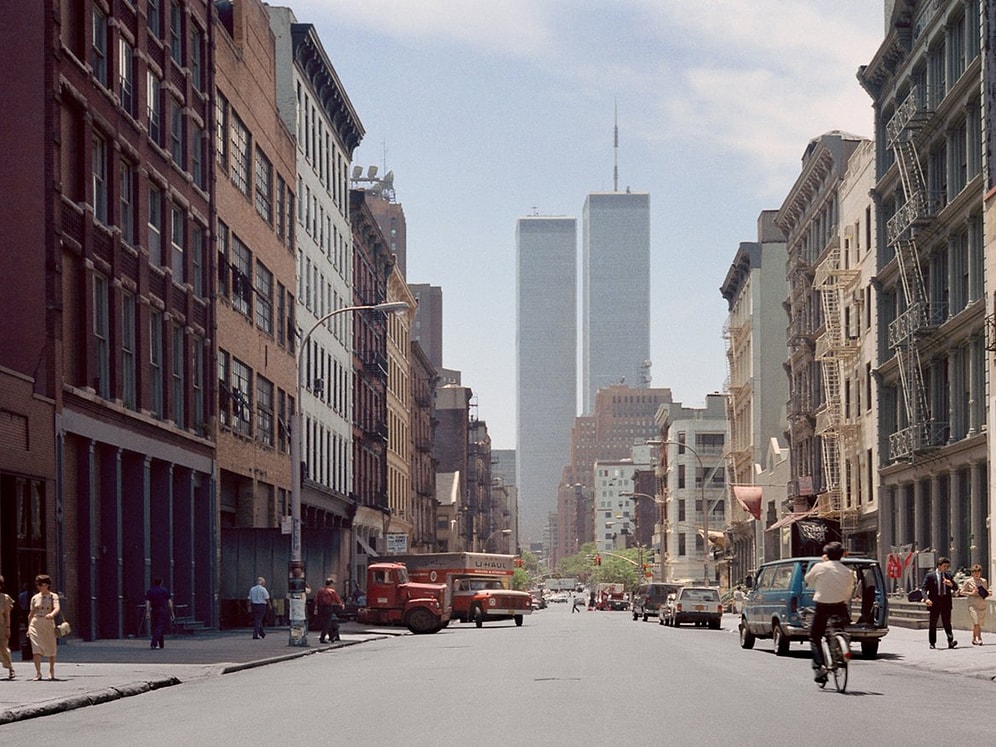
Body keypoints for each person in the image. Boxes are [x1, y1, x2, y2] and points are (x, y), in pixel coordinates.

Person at [804, 542, 854, 684]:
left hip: (822, 605)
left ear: (826, 555)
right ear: (842, 555)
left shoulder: (820, 567)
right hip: (840, 606)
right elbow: (849, 591)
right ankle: (840, 650)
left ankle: (820, 666)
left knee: (815, 636)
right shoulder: (847, 571)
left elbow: (807, 579)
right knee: (839, 629)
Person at [27, 573, 59, 681]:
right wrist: (28, 627)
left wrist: (51, 614)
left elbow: (57, 608)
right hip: (35, 623)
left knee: (51, 647)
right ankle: (38, 673)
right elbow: (31, 613)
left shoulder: (53, 596)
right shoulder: (35, 598)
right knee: (36, 648)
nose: (40, 587)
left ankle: (51, 670)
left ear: (47, 585)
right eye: (38, 584)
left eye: (42, 584)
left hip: (48, 623)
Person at [922, 556, 958, 649]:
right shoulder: (930, 576)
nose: (946, 568)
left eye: (947, 566)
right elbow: (923, 589)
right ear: (939, 566)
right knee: (933, 623)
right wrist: (926, 599)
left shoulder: (948, 575)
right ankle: (932, 642)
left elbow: (956, 587)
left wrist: (950, 584)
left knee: (947, 622)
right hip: (934, 602)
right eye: (944, 566)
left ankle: (950, 641)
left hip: (946, 602)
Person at [959, 563, 989, 646]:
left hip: (981, 603)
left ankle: (973, 638)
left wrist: (987, 593)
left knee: (978, 623)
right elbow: (961, 591)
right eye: (975, 572)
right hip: (972, 603)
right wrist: (971, 593)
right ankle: (979, 638)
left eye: (978, 572)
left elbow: (986, 591)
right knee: (976, 621)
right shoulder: (968, 581)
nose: (977, 574)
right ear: (972, 573)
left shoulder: (984, 581)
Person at [145, 577, 175, 650]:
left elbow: (148, 602)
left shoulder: (150, 591)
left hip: (154, 610)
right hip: (162, 610)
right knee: (159, 626)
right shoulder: (164, 590)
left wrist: (148, 612)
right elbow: (170, 603)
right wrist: (172, 613)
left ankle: (161, 643)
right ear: (161, 582)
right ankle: (154, 643)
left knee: (157, 626)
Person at [314, 577, 343, 643]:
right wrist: (341, 605)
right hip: (328, 608)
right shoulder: (331, 591)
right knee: (327, 623)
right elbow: (337, 599)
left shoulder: (320, 591)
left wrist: (316, 608)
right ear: (331, 584)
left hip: (320, 608)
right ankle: (322, 638)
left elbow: (316, 600)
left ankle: (332, 637)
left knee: (327, 622)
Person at [0, 575, 14, 679]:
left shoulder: (5, 598)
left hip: (2, 626)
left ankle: (10, 668)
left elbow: (8, 615)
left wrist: (8, 628)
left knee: (4, 648)